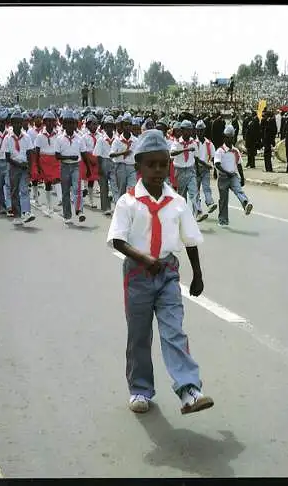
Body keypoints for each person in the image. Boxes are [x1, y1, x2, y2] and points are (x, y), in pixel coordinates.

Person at [107, 129, 214, 415]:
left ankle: (189, 389)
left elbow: (190, 240)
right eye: (150, 164)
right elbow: (117, 239)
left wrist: (198, 275)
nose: (157, 170)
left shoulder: (177, 203)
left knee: (174, 331)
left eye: (162, 163)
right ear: (138, 166)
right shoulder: (128, 201)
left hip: (167, 272)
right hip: (138, 275)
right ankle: (140, 389)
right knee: (139, 335)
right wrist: (141, 257)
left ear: (169, 164)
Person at [55, 109, 91, 224]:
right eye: (67, 123)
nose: (70, 125)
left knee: (77, 189)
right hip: (64, 166)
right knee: (65, 191)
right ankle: (67, 215)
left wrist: (89, 169)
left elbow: (84, 154)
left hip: (76, 166)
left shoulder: (79, 139)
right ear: (64, 125)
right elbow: (57, 156)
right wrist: (69, 157)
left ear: (75, 124)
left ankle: (79, 210)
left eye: (72, 123)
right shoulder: (59, 139)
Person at [214, 125, 253, 227]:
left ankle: (245, 203)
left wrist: (242, 177)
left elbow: (239, 165)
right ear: (224, 138)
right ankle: (223, 221)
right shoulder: (220, 150)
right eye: (228, 137)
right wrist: (226, 172)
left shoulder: (236, 151)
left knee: (239, 190)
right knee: (223, 200)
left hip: (233, 176)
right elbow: (217, 164)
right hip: (223, 178)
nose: (230, 139)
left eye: (231, 137)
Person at [3, 110, 36, 225]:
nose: (17, 124)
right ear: (11, 123)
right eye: (15, 122)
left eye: (19, 122)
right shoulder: (8, 138)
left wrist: (30, 168)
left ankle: (26, 212)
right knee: (14, 191)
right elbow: (7, 157)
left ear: (22, 123)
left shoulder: (26, 137)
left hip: (24, 167)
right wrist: (18, 164)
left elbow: (29, 153)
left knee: (24, 189)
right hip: (13, 166)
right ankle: (17, 215)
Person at [170, 120, 206, 222]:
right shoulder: (177, 143)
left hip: (190, 170)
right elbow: (172, 153)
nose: (190, 132)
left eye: (191, 130)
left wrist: (200, 169)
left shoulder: (193, 143)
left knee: (194, 192)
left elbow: (197, 158)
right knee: (182, 196)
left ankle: (198, 212)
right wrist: (185, 150)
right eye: (187, 130)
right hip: (179, 171)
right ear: (182, 131)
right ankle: (181, 217)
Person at [34, 110, 60, 216]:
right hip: (44, 160)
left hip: (55, 159)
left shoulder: (58, 135)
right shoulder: (40, 136)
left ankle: (60, 199)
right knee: (48, 183)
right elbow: (37, 151)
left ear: (54, 122)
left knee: (58, 179)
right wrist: (38, 165)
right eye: (47, 121)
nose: (49, 123)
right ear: (44, 122)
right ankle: (50, 206)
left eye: (51, 121)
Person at [110, 115, 138, 199]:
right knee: (121, 191)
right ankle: (121, 209)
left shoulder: (135, 140)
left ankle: (130, 209)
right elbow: (111, 154)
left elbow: (139, 154)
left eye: (129, 125)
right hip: (120, 166)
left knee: (132, 189)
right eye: (126, 125)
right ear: (122, 126)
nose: (128, 127)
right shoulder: (117, 140)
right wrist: (123, 153)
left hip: (132, 167)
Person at [94, 115, 117, 215]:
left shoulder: (116, 138)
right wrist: (99, 168)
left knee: (114, 185)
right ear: (104, 127)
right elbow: (98, 155)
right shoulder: (101, 139)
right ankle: (106, 207)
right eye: (107, 126)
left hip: (114, 162)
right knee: (103, 186)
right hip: (103, 161)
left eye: (111, 126)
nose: (109, 128)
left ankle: (117, 206)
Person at [194, 120, 217, 218]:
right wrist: (198, 170)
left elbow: (213, 157)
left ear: (204, 131)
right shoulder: (194, 143)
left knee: (206, 187)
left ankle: (210, 203)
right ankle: (197, 210)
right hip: (195, 169)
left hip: (206, 169)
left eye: (202, 131)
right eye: (198, 131)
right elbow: (194, 157)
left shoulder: (209, 143)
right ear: (196, 131)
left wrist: (215, 169)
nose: (200, 133)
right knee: (196, 191)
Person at [82, 114, 100, 208]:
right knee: (89, 179)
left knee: (97, 180)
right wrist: (89, 160)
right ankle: (90, 200)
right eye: (92, 124)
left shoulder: (100, 136)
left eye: (96, 124)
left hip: (97, 158)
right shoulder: (85, 137)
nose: (94, 126)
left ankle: (96, 199)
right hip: (88, 158)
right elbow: (84, 150)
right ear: (88, 125)